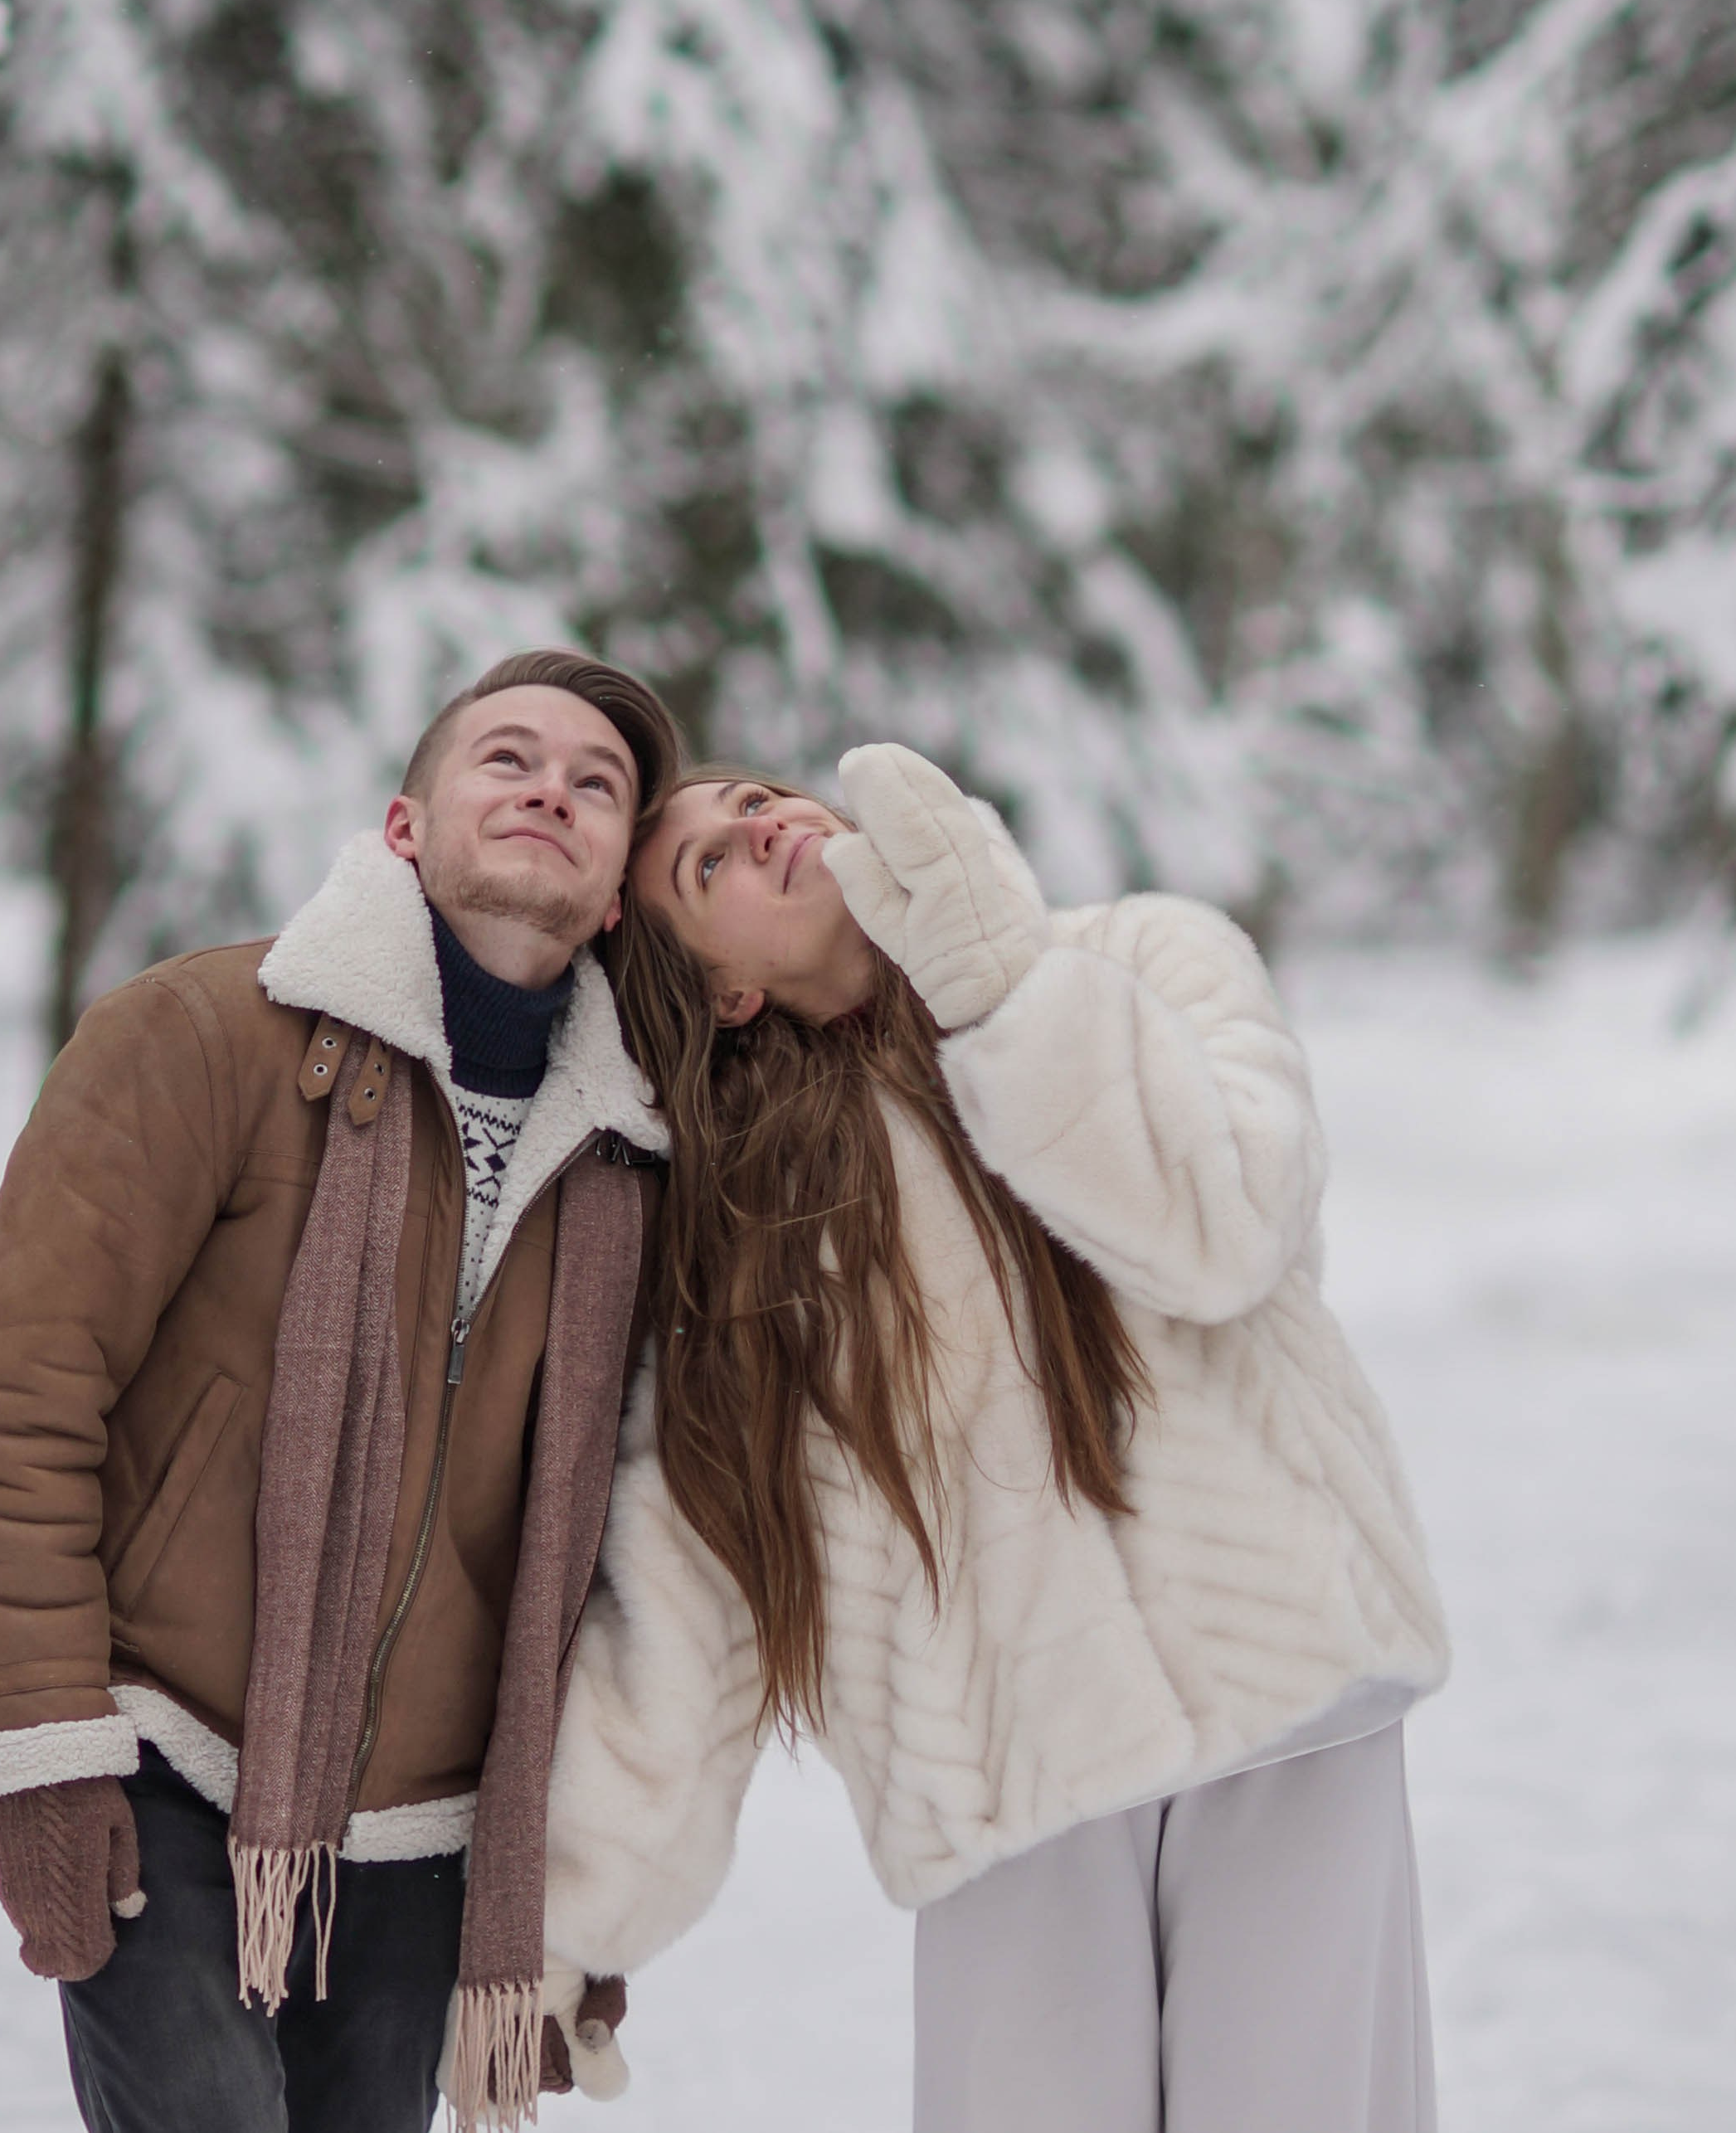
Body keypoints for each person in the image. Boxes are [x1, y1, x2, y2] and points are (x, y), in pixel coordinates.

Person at [544, 743, 1452, 2133]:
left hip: (1286, 1705)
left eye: (751, 800)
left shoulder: (1145, 961)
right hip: (1006, 1794)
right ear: (722, 991)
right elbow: (685, 1580)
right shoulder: (739, 1239)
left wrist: (996, 985)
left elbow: (1224, 1238)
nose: (760, 826)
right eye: (706, 866)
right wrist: (567, 1916)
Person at [0, 648, 682, 2133]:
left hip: (429, 1828)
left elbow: (631, 1549)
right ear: (405, 826)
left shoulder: (630, 1166)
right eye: (508, 758)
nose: (552, 789)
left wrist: (583, 1870)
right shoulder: (204, 1036)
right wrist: (41, 1751)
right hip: (165, 1752)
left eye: (597, 784)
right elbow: (20, 1402)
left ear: (610, 895)